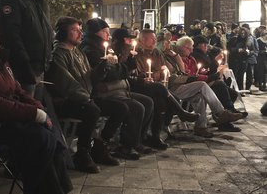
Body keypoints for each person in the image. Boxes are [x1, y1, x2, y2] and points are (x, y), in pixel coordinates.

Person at [0, 21, 72, 194]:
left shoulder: (1, 62)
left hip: (9, 119)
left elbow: (18, 90)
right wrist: (33, 113)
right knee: (40, 138)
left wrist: (38, 108)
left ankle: (59, 188)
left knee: (51, 130)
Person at [136, 29, 243, 138]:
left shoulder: (161, 54)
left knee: (199, 96)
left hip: (174, 83)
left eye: (156, 39)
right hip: (167, 87)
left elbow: (174, 70)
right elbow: (160, 74)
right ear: (143, 39)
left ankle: (201, 127)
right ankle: (221, 113)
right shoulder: (141, 54)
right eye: (165, 41)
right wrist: (160, 73)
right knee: (202, 85)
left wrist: (174, 56)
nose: (168, 44)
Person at [45, 16, 119, 173]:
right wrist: (87, 98)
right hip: (66, 101)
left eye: (80, 30)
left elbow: (90, 77)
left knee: (119, 108)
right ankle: (82, 154)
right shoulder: (58, 54)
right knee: (92, 111)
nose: (80, 34)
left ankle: (100, 145)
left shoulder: (78, 53)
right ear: (63, 32)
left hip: (86, 98)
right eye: (74, 30)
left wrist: (102, 67)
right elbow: (67, 84)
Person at [111, 28, 199, 149]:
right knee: (158, 93)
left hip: (155, 86)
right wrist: (151, 75)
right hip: (138, 85)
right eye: (152, 39)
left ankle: (155, 136)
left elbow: (166, 69)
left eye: (155, 39)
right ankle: (180, 113)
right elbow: (138, 72)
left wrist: (162, 71)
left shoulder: (157, 53)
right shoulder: (134, 53)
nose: (155, 41)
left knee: (160, 100)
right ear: (142, 40)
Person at [80, 18, 154, 159]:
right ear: (96, 33)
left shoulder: (105, 48)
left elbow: (117, 68)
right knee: (136, 107)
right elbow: (110, 74)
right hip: (105, 92)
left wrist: (124, 66)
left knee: (148, 102)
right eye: (105, 32)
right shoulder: (90, 50)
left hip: (119, 89)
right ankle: (125, 146)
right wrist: (123, 68)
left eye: (109, 32)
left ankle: (137, 140)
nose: (108, 35)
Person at [0, 0, 53, 97]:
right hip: (24, 71)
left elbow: (44, 31)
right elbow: (12, 36)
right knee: (27, 111)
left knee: (37, 109)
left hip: (39, 69)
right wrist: (26, 68)